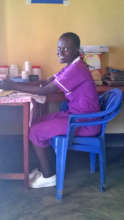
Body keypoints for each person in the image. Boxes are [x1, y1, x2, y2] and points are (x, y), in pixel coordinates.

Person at [0, 32, 100, 188]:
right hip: (76, 116)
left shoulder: (77, 69)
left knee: (35, 131)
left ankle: (48, 175)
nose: (60, 52)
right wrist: (14, 81)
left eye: (66, 49)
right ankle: (46, 167)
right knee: (38, 122)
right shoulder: (71, 66)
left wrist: (11, 86)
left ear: (76, 50)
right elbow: (45, 83)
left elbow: (46, 90)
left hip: (84, 122)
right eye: (59, 48)